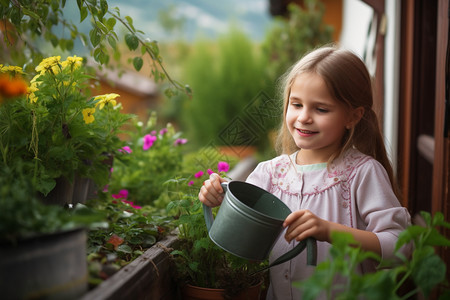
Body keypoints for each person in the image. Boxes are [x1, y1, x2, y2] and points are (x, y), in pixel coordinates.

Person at [199, 46, 411, 299]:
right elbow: (242, 239)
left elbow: (401, 246)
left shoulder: (362, 173)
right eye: (296, 104)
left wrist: (329, 231)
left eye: (321, 109)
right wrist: (221, 199)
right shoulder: (270, 173)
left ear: (353, 116)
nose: (304, 117)